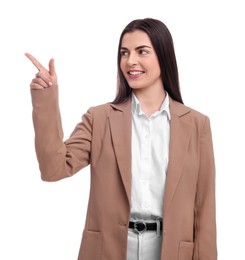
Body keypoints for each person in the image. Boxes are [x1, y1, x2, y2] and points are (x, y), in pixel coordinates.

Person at [26, 18, 217, 260]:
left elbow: (204, 208)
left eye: (142, 51)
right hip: (109, 249)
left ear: (164, 56)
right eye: (124, 53)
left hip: (170, 251)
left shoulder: (197, 125)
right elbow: (53, 169)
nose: (130, 61)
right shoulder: (100, 118)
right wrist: (45, 98)